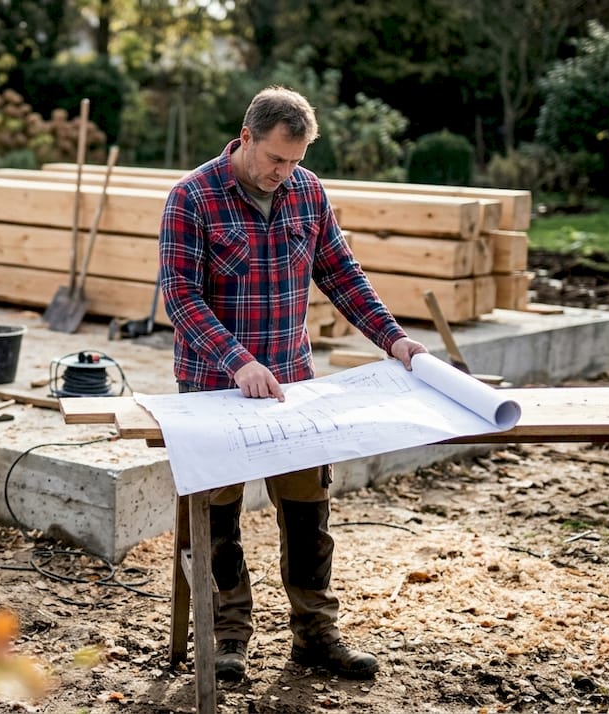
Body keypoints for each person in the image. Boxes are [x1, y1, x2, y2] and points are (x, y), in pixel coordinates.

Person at [158, 85, 427, 681]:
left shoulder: (307, 192)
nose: (284, 173)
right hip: (213, 388)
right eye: (276, 159)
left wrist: (394, 339)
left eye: (296, 161)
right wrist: (237, 360)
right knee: (217, 517)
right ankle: (227, 635)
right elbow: (179, 297)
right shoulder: (191, 199)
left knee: (308, 512)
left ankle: (315, 634)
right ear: (246, 136)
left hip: (292, 386)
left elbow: (342, 273)